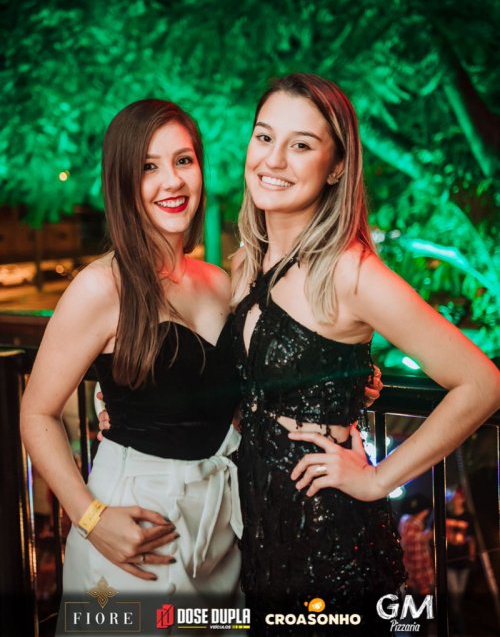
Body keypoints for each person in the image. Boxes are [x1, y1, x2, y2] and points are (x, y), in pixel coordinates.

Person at [229, 73, 500, 635]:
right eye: (265, 137)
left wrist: (378, 480)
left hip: (329, 544)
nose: (273, 159)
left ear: (335, 167)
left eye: (301, 145)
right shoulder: (248, 261)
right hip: (259, 535)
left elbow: (482, 383)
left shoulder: (350, 272)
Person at [20, 100, 243, 621]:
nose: (172, 180)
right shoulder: (101, 286)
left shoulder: (218, 282)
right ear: (122, 182)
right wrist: (91, 519)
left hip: (219, 532)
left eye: (183, 160)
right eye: (148, 166)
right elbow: (36, 413)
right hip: (135, 527)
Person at [398, 494, 434, 636]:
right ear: (424, 511)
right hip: (420, 585)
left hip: (408, 581)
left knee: (412, 620)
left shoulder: (405, 522)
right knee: (422, 622)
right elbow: (417, 562)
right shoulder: (415, 532)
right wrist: (424, 586)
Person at [446, 487, 476, 635]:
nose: (457, 499)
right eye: (455, 497)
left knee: (459, 593)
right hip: (449, 560)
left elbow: (471, 538)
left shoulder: (468, 517)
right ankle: (458, 625)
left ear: (463, 499)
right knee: (455, 592)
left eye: (459, 497)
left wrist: (472, 556)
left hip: (464, 562)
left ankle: (455, 621)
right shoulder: (446, 514)